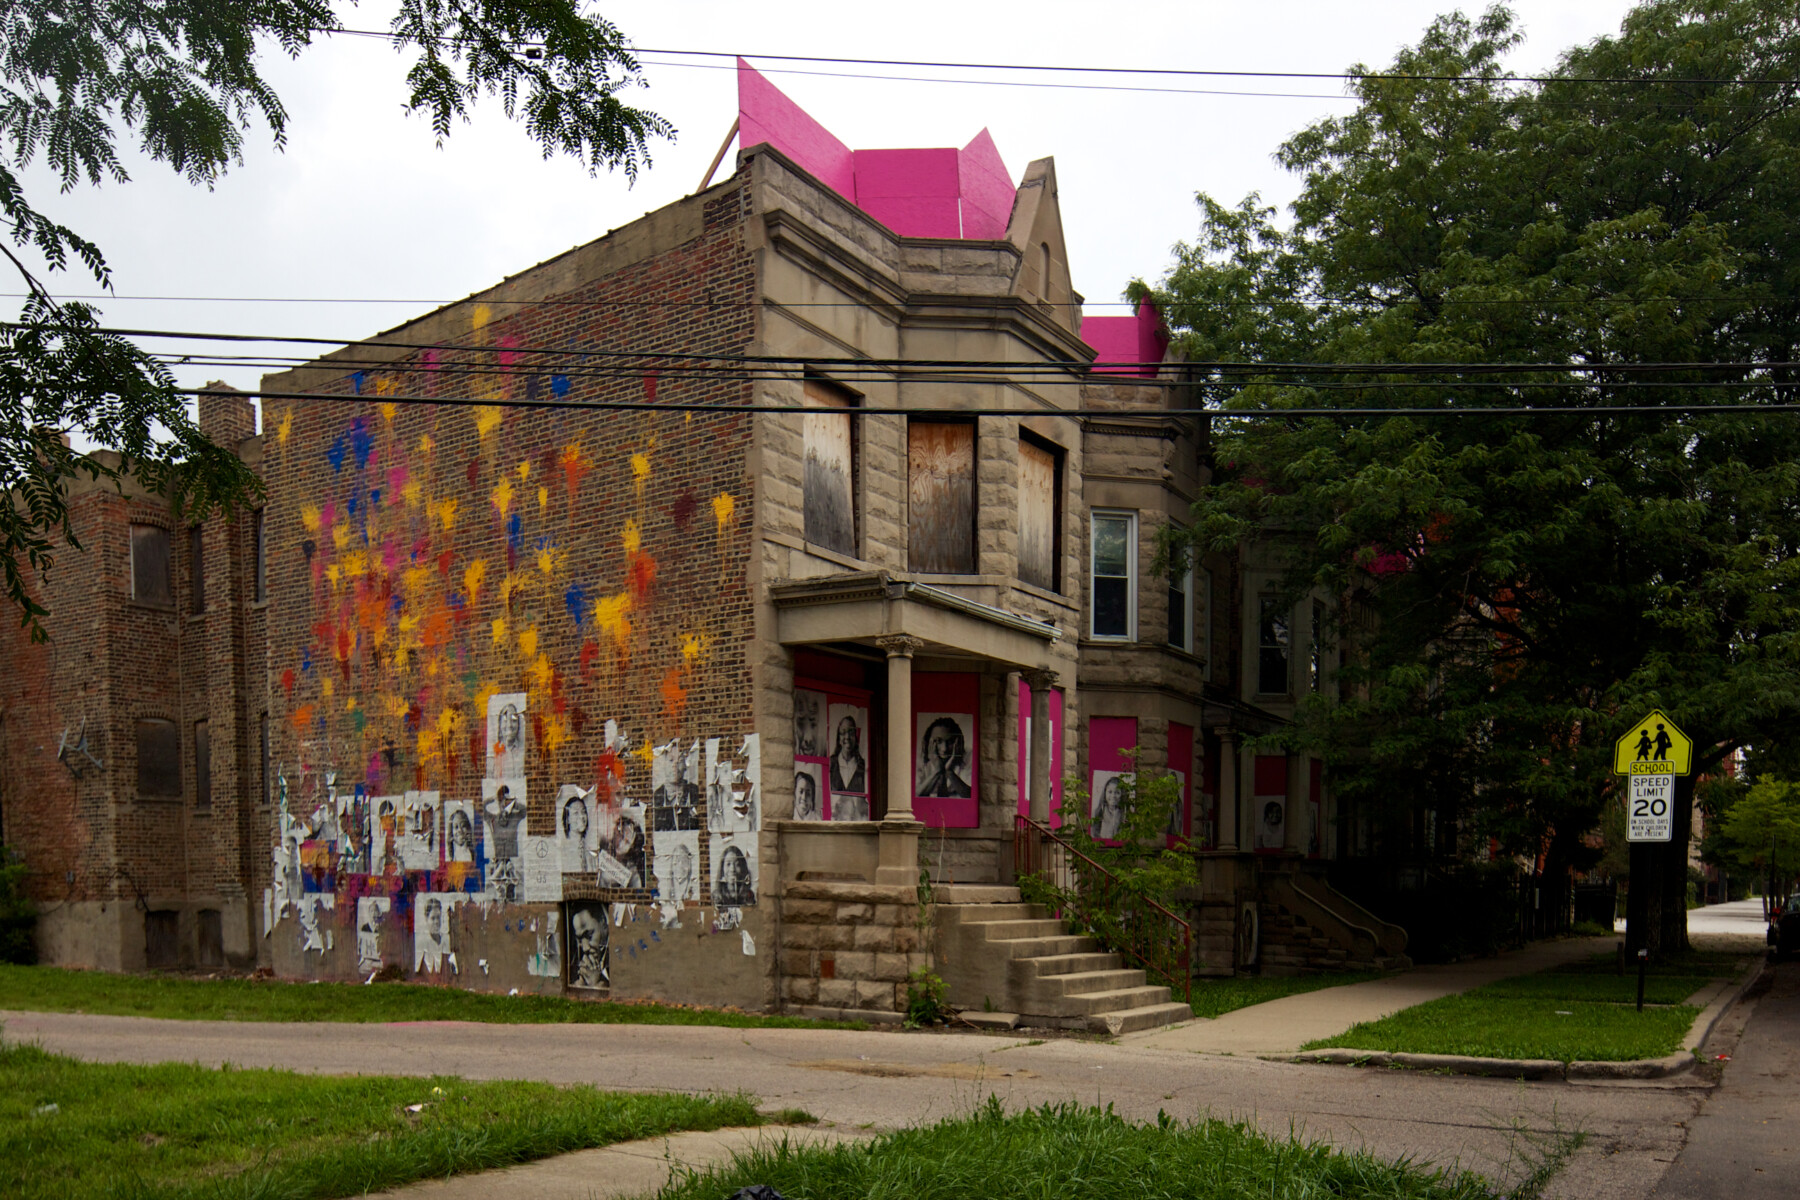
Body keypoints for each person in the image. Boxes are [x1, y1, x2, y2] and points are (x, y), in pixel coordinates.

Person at [916, 717, 972, 798]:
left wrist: (949, 772)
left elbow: (971, 795)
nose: (944, 749)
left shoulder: (968, 756)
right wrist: (937, 770)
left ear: (958, 742)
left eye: (950, 741)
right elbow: (914, 795)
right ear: (928, 742)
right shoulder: (919, 757)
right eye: (938, 741)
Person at [569, 904, 608, 988]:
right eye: (580, 940)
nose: (585, 948)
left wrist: (596, 983)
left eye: (589, 936)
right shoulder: (576, 960)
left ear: (602, 921)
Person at [830, 715, 866, 794]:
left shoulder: (863, 766)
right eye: (843, 732)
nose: (847, 737)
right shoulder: (830, 764)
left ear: (856, 737)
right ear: (839, 738)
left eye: (851, 732)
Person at [1092, 775, 1125, 841]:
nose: (1113, 796)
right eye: (1110, 792)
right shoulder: (1098, 812)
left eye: (1117, 792)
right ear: (1105, 793)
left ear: (1122, 795)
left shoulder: (1125, 814)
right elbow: (1094, 833)